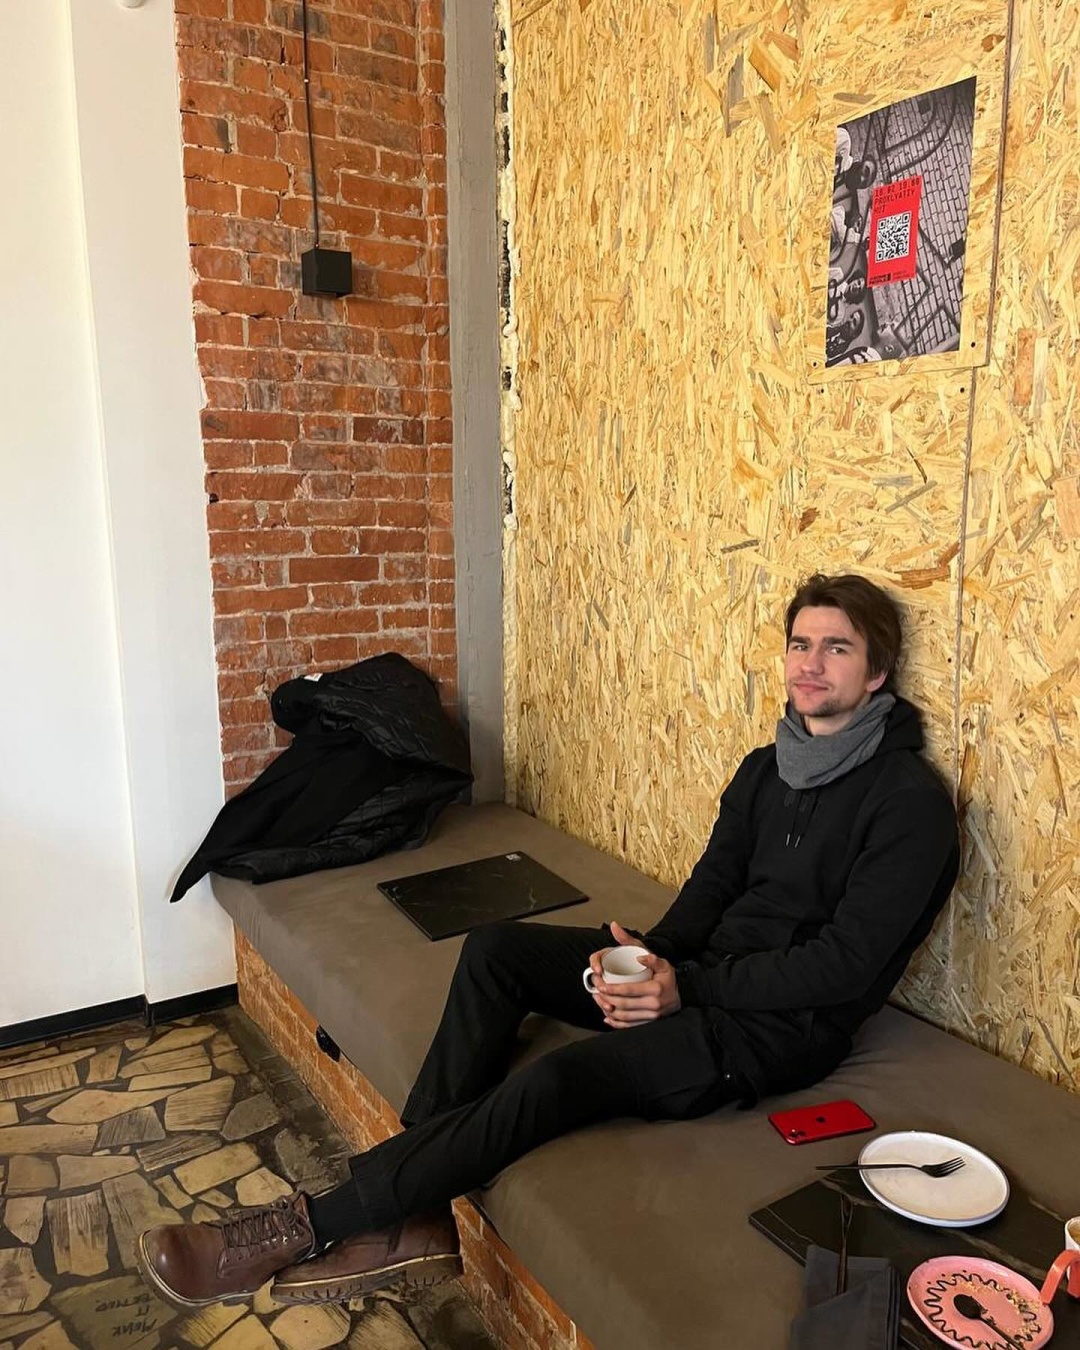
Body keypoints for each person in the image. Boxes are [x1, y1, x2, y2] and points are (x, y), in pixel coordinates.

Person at [137, 573, 960, 1311]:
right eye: (800, 644)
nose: (810, 664)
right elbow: (710, 890)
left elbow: (845, 967)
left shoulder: (907, 802)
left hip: (775, 1029)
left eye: (837, 649)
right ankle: (415, 1214)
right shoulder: (765, 766)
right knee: (496, 951)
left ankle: (302, 1227)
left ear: (876, 673)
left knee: (561, 1078)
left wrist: (685, 990)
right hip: (698, 976)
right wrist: (647, 954)